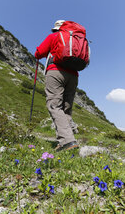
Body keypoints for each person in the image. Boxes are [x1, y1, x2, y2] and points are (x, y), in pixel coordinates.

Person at [35, 20, 79, 152]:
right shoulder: (75, 38)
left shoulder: (54, 36)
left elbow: (39, 52)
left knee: (54, 105)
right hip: (74, 76)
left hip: (56, 72)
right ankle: (65, 139)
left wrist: (37, 53)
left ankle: (68, 141)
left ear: (56, 29)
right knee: (66, 107)